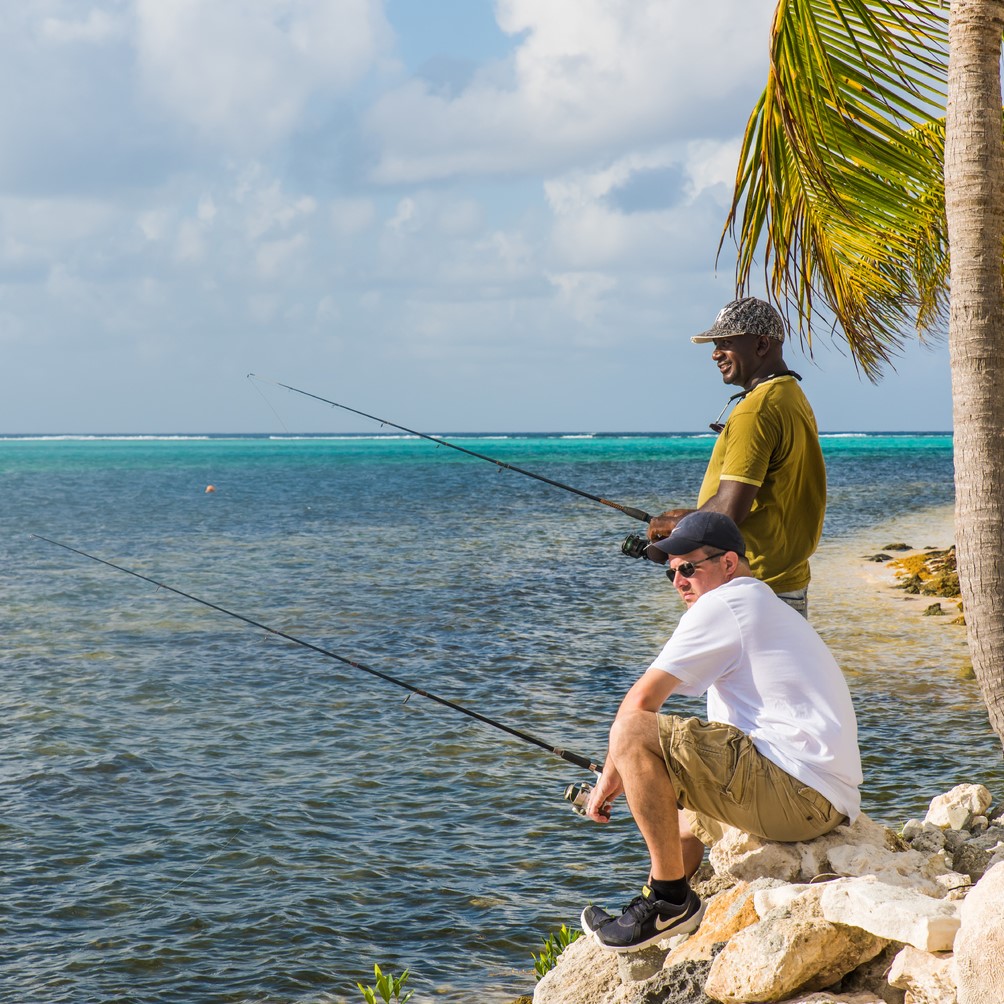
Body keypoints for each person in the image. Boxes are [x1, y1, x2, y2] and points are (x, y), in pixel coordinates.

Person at [583, 511, 861, 953]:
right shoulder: (761, 603)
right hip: (819, 800)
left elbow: (639, 706)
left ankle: (670, 902)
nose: (678, 582)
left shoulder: (726, 603)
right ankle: (660, 909)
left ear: (729, 563)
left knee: (634, 732)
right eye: (671, 572)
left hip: (799, 792)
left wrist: (610, 775)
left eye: (689, 568)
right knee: (678, 809)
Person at [646, 297, 826, 616]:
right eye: (715, 344)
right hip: (783, 583)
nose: (715, 353)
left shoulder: (756, 410)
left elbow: (727, 513)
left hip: (752, 588)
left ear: (760, 345)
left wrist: (672, 525)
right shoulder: (790, 394)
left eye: (726, 342)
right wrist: (684, 519)